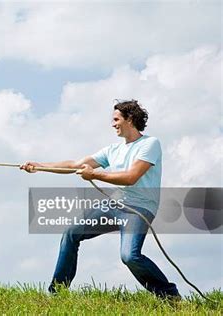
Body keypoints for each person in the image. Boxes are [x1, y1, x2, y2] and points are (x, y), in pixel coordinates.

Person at [21, 100, 180, 299]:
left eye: (116, 120)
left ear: (129, 119)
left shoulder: (150, 144)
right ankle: (57, 293)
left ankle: (169, 295)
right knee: (72, 232)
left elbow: (131, 177)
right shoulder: (112, 150)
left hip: (139, 208)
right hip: (114, 205)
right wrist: (40, 166)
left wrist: (95, 175)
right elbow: (75, 165)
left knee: (129, 256)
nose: (112, 124)